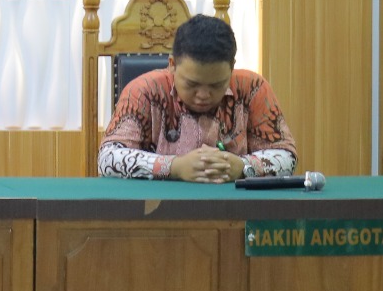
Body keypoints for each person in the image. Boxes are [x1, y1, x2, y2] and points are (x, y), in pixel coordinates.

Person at [98, 14, 296, 182]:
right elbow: (107, 158)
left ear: (232, 67)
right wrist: (174, 166)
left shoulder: (252, 89)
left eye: (217, 85)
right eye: (192, 84)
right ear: (172, 65)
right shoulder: (144, 91)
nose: (203, 96)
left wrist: (243, 166)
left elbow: (287, 156)